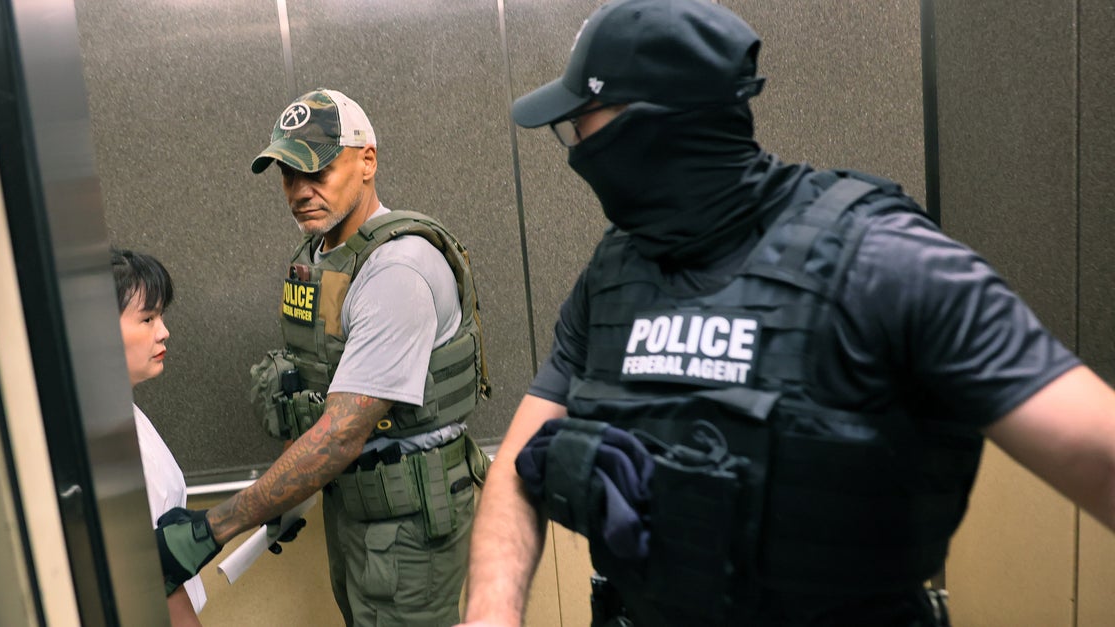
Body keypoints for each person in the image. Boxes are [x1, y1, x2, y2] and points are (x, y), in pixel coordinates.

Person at [460, 1, 1115, 626]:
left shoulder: (885, 263)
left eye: (584, 120)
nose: (575, 142)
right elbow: (516, 470)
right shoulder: (610, 277)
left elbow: (1099, 451)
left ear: (644, 126)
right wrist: (492, 611)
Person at [153, 88, 490, 627]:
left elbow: (340, 434)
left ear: (367, 161)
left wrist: (212, 529)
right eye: (289, 174)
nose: (300, 191)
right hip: (355, 506)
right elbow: (311, 385)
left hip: (408, 517)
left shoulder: (396, 271)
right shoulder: (321, 258)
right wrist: (285, 496)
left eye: (318, 171)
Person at [111, 248, 205, 627]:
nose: (163, 331)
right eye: (147, 319)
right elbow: (154, 577)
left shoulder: (124, 412)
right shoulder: (111, 446)